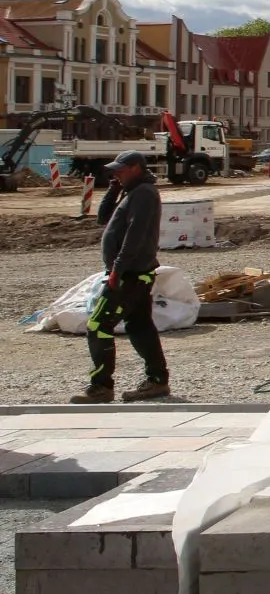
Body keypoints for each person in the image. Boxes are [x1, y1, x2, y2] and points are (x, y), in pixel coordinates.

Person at [72, 150, 171, 404]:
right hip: (133, 273)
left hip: (129, 275)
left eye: (120, 170)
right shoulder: (132, 192)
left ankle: (101, 386)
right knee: (139, 326)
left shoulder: (145, 194)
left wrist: (117, 268)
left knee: (98, 325)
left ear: (136, 168)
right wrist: (114, 189)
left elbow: (135, 235)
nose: (115, 173)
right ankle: (157, 381)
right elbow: (103, 218)